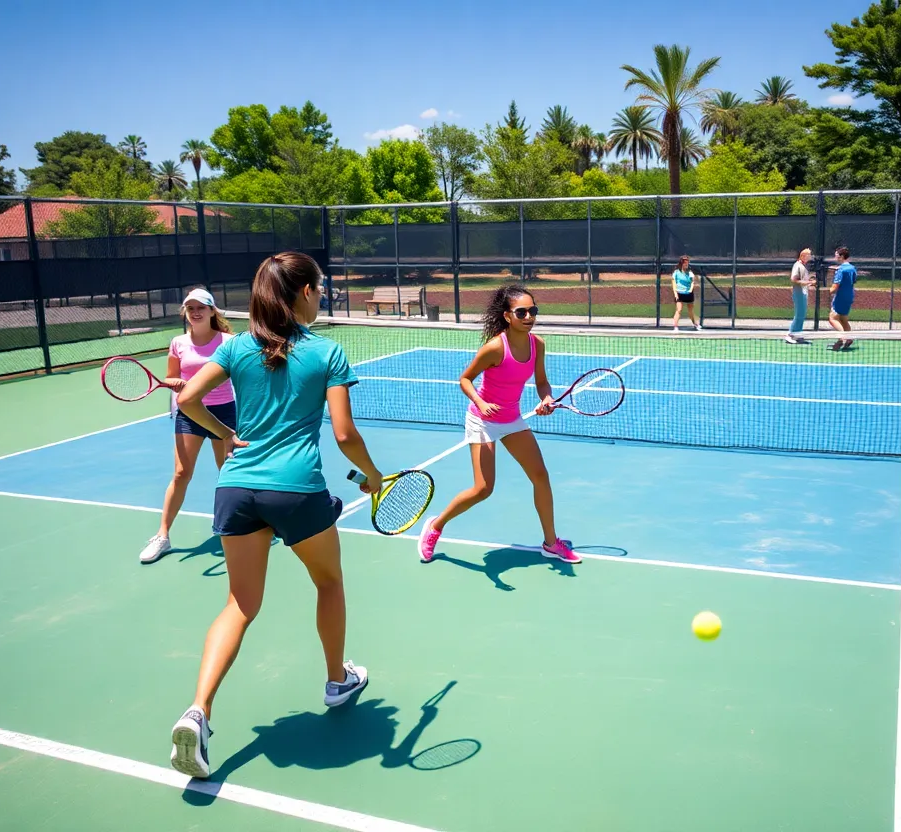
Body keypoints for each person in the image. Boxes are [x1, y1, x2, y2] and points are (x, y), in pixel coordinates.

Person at [168, 251, 386, 779]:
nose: (324, 295)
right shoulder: (328, 351)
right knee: (329, 583)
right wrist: (374, 476)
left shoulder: (239, 346)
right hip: (296, 491)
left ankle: (197, 713)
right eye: (321, 287)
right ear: (305, 293)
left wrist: (226, 436)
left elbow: (189, 399)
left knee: (239, 605)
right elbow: (343, 434)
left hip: (236, 487)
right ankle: (337, 680)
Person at [415, 284, 579, 565]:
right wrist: (480, 403)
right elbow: (465, 379)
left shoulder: (537, 344)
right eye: (522, 312)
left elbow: (541, 381)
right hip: (482, 420)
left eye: (533, 311)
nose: (529, 316)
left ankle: (551, 543)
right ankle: (436, 526)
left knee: (540, 475)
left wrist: (547, 399)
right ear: (507, 316)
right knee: (483, 489)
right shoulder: (494, 348)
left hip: (511, 418)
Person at [138, 288, 236, 565]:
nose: (195, 312)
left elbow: (239, 374)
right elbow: (171, 377)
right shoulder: (178, 343)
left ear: (212, 311)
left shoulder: (228, 342)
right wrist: (177, 383)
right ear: (185, 312)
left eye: (201, 307)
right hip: (189, 413)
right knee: (181, 473)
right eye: (190, 308)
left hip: (223, 413)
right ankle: (162, 536)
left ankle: (241, 523)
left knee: (228, 472)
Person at [829, 246, 856, 350]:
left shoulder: (840, 270)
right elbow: (852, 282)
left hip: (840, 297)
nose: (835, 257)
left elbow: (835, 287)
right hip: (849, 296)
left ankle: (842, 337)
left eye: (836, 255)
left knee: (833, 318)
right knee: (843, 319)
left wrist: (824, 292)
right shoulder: (852, 268)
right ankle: (849, 338)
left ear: (842, 256)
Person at [786, 248, 815, 344]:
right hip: (798, 294)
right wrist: (809, 282)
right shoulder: (797, 265)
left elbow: (803, 281)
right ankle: (790, 335)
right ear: (803, 256)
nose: (810, 257)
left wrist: (809, 283)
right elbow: (794, 280)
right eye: (808, 255)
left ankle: (797, 335)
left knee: (802, 315)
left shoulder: (803, 266)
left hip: (804, 293)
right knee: (798, 315)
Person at [671, 255, 701, 331]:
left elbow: (692, 282)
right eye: (684, 262)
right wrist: (675, 294)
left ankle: (696, 325)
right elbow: (674, 284)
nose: (686, 264)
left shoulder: (690, 273)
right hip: (679, 293)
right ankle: (675, 326)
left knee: (690, 311)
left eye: (687, 262)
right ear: (681, 263)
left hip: (688, 294)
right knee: (679, 310)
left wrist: (690, 289)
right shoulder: (676, 273)